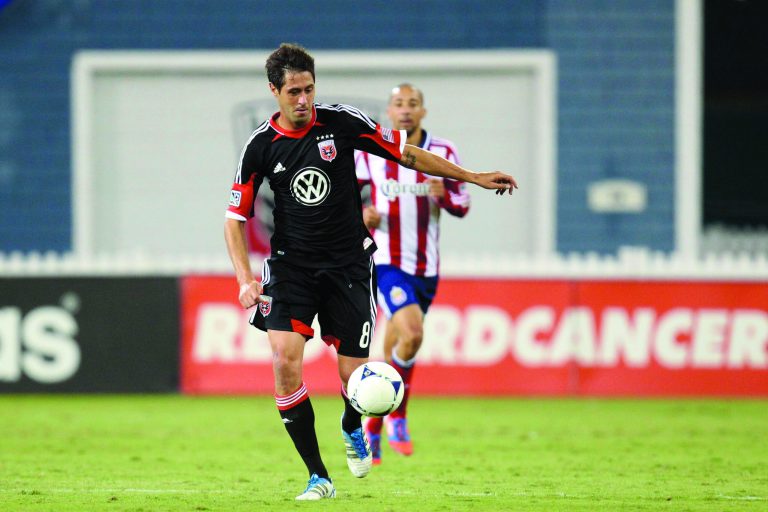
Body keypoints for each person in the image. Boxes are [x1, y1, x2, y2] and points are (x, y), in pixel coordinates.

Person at [224, 43, 517, 501]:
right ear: (274, 91)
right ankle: (318, 476)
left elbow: (410, 156)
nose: (302, 100)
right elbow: (235, 219)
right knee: (283, 360)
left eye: (308, 89)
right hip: (291, 267)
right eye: (293, 92)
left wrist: (472, 176)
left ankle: (351, 424)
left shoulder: (342, 122)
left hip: (349, 266)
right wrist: (245, 277)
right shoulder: (260, 145)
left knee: (354, 379)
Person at [355, 83, 468, 465]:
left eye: (413, 104)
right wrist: (362, 213)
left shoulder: (443, 152)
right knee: (414, 332)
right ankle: (398, 416)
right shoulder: (370, 151)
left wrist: (444, 196)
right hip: (387, 261)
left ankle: (373, 426)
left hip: (427, 267)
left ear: (423, 112)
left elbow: (463, 205)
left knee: (394, 350)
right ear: (388, 111)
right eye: (399, 104)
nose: (405, 110)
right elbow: (345, 195)